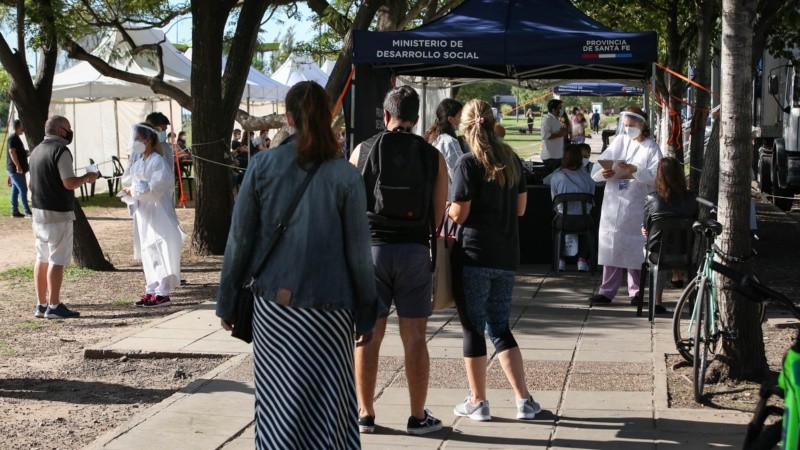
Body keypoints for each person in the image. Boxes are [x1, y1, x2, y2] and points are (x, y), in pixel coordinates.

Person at [217, 81, 380, 449]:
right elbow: (358, 252)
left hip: (276, 310)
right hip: (331, 313)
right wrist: (366, 312)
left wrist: (227, 301)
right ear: (328, 117)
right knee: (329, 408)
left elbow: (239, 241)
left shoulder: (260, 166)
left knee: (279, 406)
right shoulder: (346, 176)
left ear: (288, 118)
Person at [349, 85, 448, 436]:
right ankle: (417, 416)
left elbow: (349, 208)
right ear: (417, 118)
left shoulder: (362, 150)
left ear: (386, 115)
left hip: (370, 252)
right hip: (414, 253)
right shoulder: (433, 155)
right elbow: (438, 217)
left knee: (367, 335)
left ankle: (365, 413)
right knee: (416, 337)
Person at [448, 99, 541, 422]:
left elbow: (460, 215)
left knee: (472, 327)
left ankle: (478, 401)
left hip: (474, 254)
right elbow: (521, 209)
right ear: (492, 122)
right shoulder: (512, 160)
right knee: (500, 326)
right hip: (506, 255)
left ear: (465, 126)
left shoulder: (467, 163)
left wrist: (448, 208)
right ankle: (524, 400)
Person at [588, 106, 662, 306]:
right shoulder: (619, 141)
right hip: (614, 201)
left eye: (631, 125)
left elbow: (657, 175)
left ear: (641, 125)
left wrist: (635, 170)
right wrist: (604, 172)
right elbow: (599, 164)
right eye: (626, 125)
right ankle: (606, 290)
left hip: (637, 202)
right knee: (611, 245)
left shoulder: (651, 148)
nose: (628, 129)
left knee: (635, 247)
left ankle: (636, 291)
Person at [28, 116, 99, 319]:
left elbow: (31, 185)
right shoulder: (61, 150)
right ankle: (54, 305)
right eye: (68, 128)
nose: (70, 131)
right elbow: (68, 182)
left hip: (38, 212)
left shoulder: (36, 151)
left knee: (41, 258)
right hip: (58, 213)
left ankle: (41, 304)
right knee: (56, 260)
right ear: (60, 130)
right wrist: (87, 177)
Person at [119, 123, 184, 307]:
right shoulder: (138, 163)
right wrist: (128, 192)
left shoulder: (158, 161)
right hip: (143, 213)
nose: (135, 143)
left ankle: (163, 291)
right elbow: (131, 182)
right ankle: (151, 287)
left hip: (158, 211)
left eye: (138, 139)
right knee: (148, 250)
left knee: (160, 247)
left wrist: (137, 191)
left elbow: (157, 186)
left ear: (147, 140)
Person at [642, 157, 698, 313]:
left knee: (656, 255)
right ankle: (677, 272)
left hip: (658, 254)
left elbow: (646, 227)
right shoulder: (692, 198)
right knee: (672, 243)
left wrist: (644, 229)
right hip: (684, 254)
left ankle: (657, 302)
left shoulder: (652, 198)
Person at [550, 144, 595, 272]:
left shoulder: (556, 176)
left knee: (555, 225)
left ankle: (560, 260)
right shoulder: (588, 177)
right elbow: (591, 201)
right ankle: (582, 259)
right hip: (583, 219)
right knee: (588, 225)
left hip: (563, 220)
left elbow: (554, 200)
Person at [424, 98, 463, 197]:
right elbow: (458, 174)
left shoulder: (434, 138)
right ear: (451, 119)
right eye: (460, 116)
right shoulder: (449, 142)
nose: (462, 119)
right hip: (447, 199)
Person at [6, 119, 32, 218]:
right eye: (22, 127)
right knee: (23, 189)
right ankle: (27, 212)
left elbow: (19, 152)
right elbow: (12, 152)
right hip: (15, 169)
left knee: (15, 190)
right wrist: (18, 166)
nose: (23, 129)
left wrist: (28, 152)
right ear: (18, 126)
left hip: (16, 169)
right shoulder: (12, 138)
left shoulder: (17, 138)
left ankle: (15, 211)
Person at [540, 99, 568, 174]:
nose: (561, 110)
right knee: (551, 179)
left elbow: (559, 131)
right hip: (551, 156)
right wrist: (560, 134)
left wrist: (564, 131)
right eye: (559, 108)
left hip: (558, 154)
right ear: (553, 109)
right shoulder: (547, 120)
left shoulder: (556, 119)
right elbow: (545, 135)